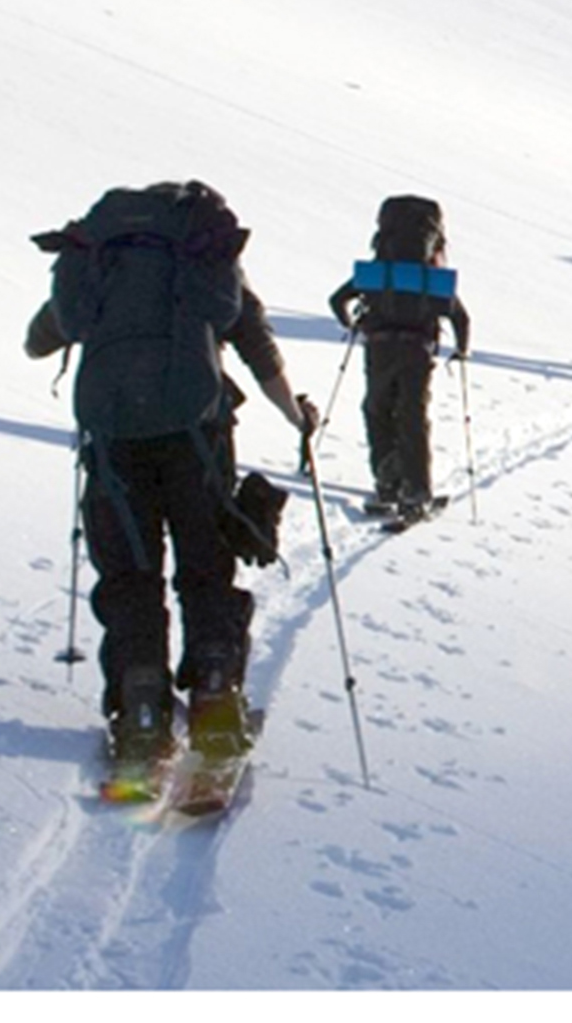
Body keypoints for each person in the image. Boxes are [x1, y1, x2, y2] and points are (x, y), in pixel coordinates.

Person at [25, 181, 315, 786]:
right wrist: (297, 417)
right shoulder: (202, 255)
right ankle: (215, 700)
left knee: (130, 577)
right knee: (205, 567)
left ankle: (141, 713)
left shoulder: (101, 256)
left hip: (113, 439)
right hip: (196, 434)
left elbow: (41, 339)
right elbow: (256, 342)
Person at [328, 195, 472, 525]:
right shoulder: (432, 276)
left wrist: (352, 325)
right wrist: (461, 350)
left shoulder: (377, 271)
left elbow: (337, 300)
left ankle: (387, 485)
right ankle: (416, 493)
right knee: (412, 415)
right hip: (417, 350)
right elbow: (461, 318)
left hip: (379, 349)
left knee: (377, 408)